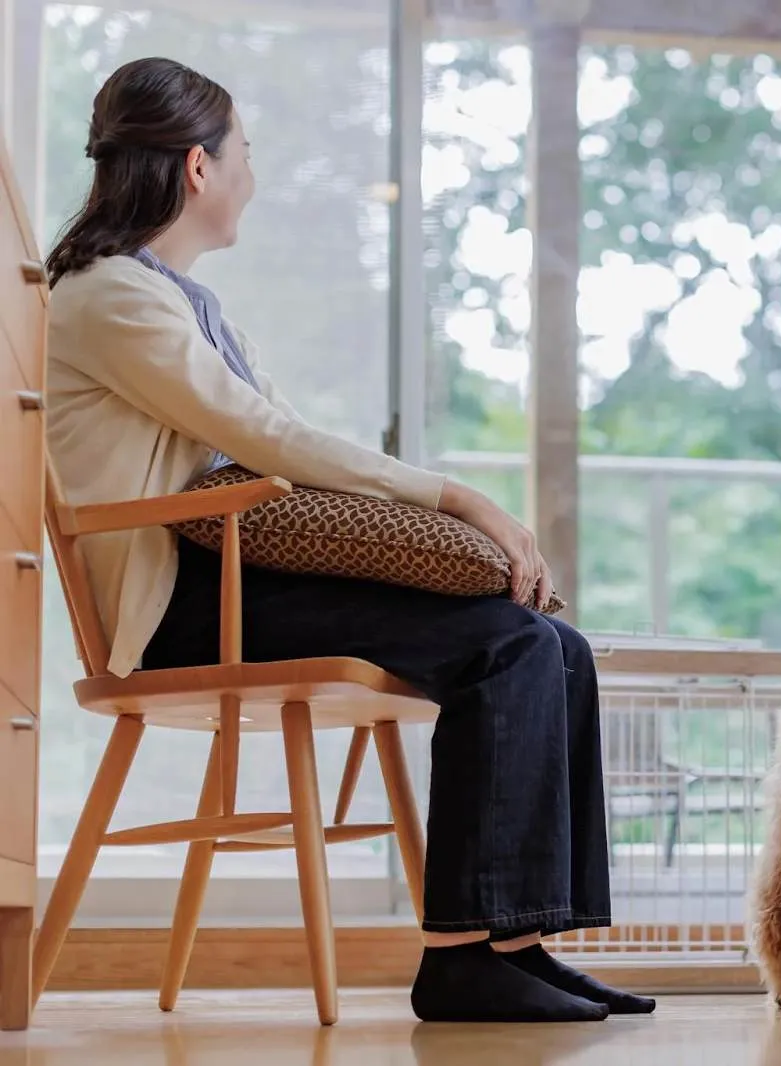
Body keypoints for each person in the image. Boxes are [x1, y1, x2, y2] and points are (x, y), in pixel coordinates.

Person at [45, 56, 651, 1025]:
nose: (254, 174)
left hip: (231, 572)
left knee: (552, 644)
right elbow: (269, 440)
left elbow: (279, 435)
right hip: (186, 603)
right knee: (507, 642)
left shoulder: (178, 299)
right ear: (198, 168)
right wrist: (456, 499)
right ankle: (460, 958)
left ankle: (519, 940)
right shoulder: (112, 297)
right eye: (245, 154)